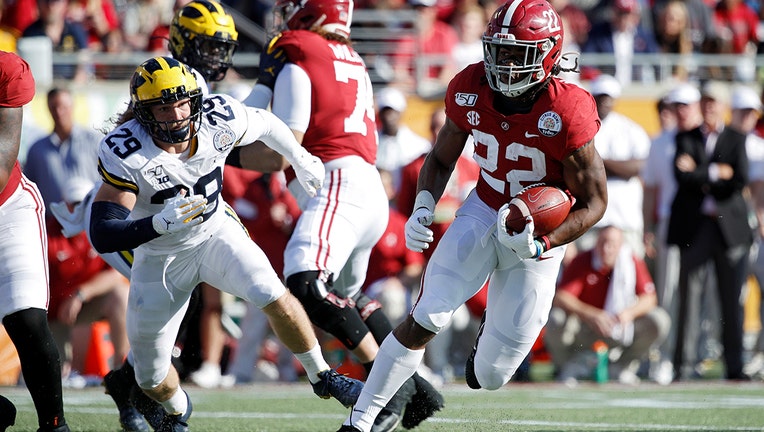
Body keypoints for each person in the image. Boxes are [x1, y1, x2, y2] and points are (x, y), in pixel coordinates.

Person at [337, 0, 608, 430]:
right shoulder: (470, 86)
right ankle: (361, 421)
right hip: (484, 207)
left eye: (517, 53)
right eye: (499, 51)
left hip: (540, 233)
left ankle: (484, 350)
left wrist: (544, 241)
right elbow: (442, 157)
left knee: (492, 376)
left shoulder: (568, 109)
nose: (504, 64)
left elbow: (595, 202)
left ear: (549, 54)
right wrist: (424, 204)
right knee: (428, 314)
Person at [89, 55, 363, 431]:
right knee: (150, 377)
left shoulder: (219, 116)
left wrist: (299, 158)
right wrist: (157, 223)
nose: (176, 115)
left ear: (195, 100)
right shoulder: (127, 152)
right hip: (160, 256)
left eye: (182, 102)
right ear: (143, 112)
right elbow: (103, 232)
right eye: (163, 107)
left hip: (216, 231)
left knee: (272, 293)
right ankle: (176, 411)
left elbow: (267, 123)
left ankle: (322, 376)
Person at [244, 0, 445, 430]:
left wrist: (221, 153)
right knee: (347, 297)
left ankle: (391, 390)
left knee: (306, 281)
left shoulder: (302, 60)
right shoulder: (351, 57)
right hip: (366, 186)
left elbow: (285, 151)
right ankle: (416, 387)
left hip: (339, 181)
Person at [0, 50, 71, 432]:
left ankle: (54, 424)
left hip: (6, 209)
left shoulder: (6, 70)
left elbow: (0, 167)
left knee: (26, 318)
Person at [668, 78, 753, 381]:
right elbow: (682, 177)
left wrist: (702, 173)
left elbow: (738, 179)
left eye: (714, 102)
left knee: (732, 301)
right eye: (705, 102)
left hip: (728, 228)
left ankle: (734, 365)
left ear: (723, 106)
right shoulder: (685, 137)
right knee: (689, 298)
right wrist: (717, 171)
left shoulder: (736, 137)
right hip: (696, 227)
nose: (709, 107)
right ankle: (684, 365)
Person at [545, 225, 671, 384]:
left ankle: (621, 367)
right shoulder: (583, 260)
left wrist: (629, 313)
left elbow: (650, 298)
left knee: (659, 319)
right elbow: (561, 297)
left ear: (621, 246)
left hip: (618, 326)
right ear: (596, 243)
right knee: (556, 318)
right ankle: (568, 367)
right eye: (602, 242)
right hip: (585, 329)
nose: (606, 248)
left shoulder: (631, 261)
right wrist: (590, 314)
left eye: (612, 244)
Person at [641, 82, 702, 385]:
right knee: (668, 295)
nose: (680, 111)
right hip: (670, 224)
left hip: (704, 225)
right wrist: (647, 228)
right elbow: (651, 191)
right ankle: (664, 358)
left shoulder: (707, 139)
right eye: (676, 106)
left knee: (703, 296)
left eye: (685, 105)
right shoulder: (660, 143)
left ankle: (694, 356)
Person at [46, 177, 131, 385]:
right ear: (65, 204)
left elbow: (117, 274)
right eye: (75, 203)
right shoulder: (48, 234)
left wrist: (81, 294)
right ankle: (72, 369)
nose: (79, 209)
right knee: (51, 377)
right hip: (51, 314)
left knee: (121, 293)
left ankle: (125, 369)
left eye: (84, 203)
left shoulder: (102, 229)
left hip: (84, 306)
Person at [576, 74, 651, 258]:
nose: (604, 102)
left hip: (625, 218)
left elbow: (638, 167)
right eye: (600, 97)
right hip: (589, 218)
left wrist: (597, 164)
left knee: (629, 275)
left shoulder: (630, 129)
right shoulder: (580, 128)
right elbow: (578, 168)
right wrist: (616, 167)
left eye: (607, 98)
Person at [23, 86, 103, 208]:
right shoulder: (37, 149)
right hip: (52, 221)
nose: (59, 112)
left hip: (89, 218)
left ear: (72, 107)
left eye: (64, 107)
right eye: (54, 107)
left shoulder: (94, 141)